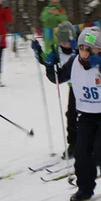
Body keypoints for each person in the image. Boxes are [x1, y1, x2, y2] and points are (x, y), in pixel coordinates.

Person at [44, 26, 101, 201]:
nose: (85, 53)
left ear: (98, 48)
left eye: (89, 49)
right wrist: (50, 66)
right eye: (81, 48)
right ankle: (85, 188)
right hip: (87, 113)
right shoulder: (74, 61)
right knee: (81, 151)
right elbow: (58, 78)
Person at [32, 20, 78, 159]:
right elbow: (45, 59)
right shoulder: (56, 51)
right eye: (62, 42)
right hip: (73, 88)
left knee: (88, 116)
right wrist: (38, 50)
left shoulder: (80, 48)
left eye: (67, 41)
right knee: (71, 115)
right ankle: (73, 145)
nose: (64, 44)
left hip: (88, 86)